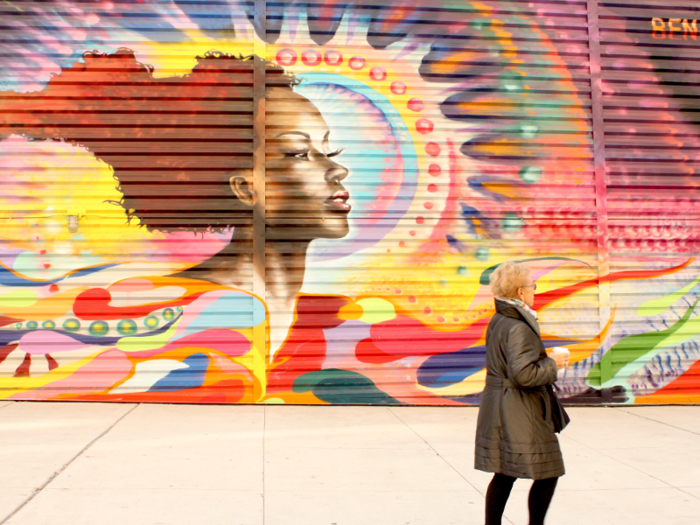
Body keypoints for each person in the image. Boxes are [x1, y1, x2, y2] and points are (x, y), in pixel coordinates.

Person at [475, 261, 570, 525]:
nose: (534, 291)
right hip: (520, 408)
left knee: (505, 471)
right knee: (548, 470)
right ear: (519, 292)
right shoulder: (518, 326)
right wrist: (553, 363)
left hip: (500, 404)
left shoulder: (499, 319)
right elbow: (524, 375)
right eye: (532, 286)